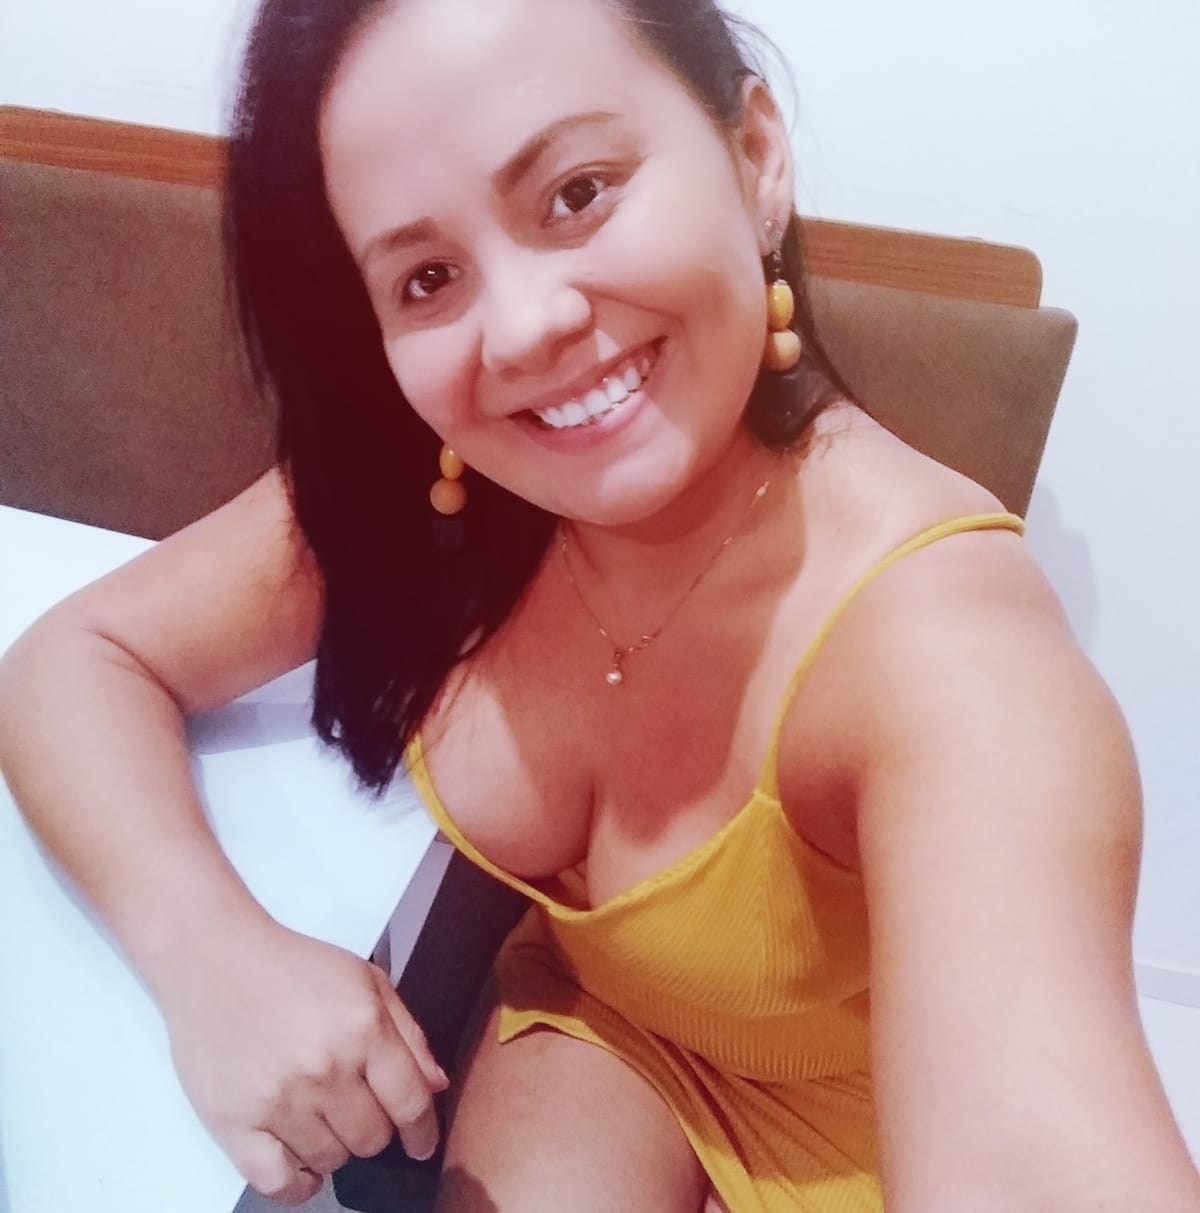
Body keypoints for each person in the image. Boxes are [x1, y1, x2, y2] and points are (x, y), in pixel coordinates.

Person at [1, 0, 1197, 1210]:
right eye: (427, 276)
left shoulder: (949, 655)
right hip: (610, 1029)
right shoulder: (443, 487)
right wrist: (212, 954)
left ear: (756, 156)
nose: (526, 328)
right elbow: (79, 655)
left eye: (577, 193)